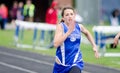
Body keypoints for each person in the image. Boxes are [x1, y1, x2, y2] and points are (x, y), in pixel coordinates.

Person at [53, 7, 99, 73]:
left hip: (76, 62)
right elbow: (55, 44)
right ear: (63, 18)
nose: (70, 16)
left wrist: (94, 45)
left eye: (71, 14)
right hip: (61, 65)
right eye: (67, 15)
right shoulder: (61, 27)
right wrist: (68, 32)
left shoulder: (79, 26)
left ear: (74, 16)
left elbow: (87, 33)